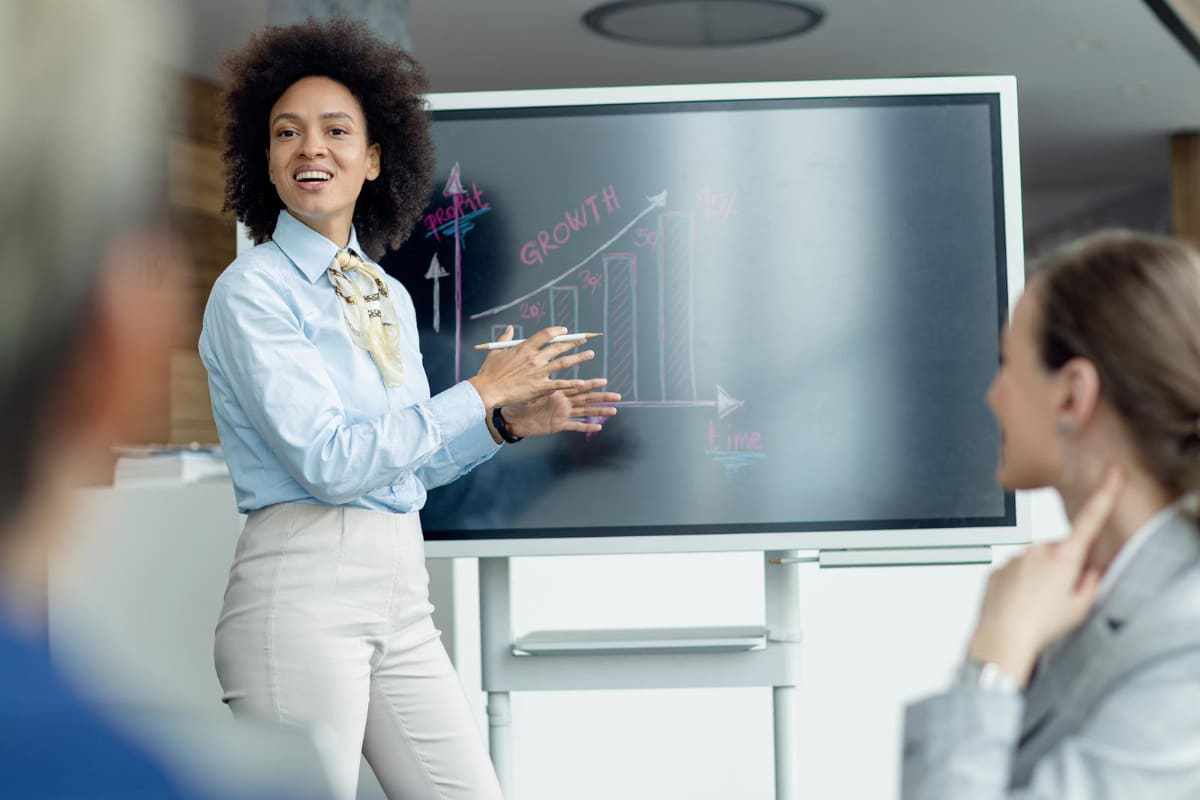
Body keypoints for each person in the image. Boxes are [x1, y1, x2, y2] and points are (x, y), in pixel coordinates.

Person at [201, 18, 620, 800]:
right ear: (265, 158)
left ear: (373, 158)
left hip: (400, 591)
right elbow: (330, 464)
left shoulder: (387, 293)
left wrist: (501, 425)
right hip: (302, 595)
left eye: (336, 130)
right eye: (287, 132)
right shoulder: (251, 291)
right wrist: (480, 391)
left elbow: (406, 468)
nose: (310, 148)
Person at [902, 230, 1200, 798]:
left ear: (1072, 396)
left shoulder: (1188, 639)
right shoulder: (1087, 599)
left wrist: (992, 663)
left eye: (1006, 365)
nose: (992, 395)